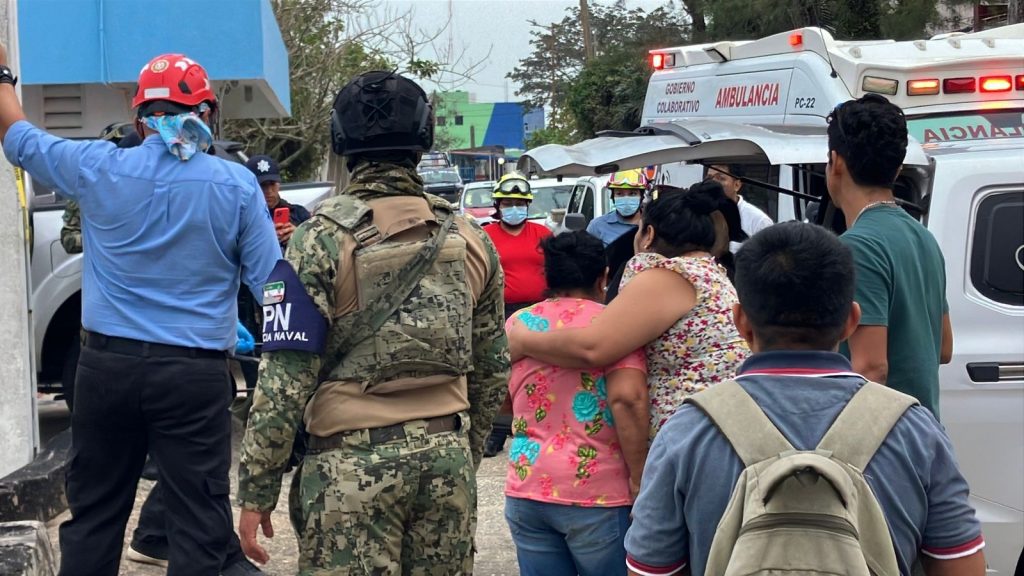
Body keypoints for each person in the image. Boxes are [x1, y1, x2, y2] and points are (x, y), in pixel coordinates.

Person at [0, 50, 280, 576]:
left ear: (137, 118)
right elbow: (273, 289)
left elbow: (17, 136)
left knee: (94, 518)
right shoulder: (238, 185)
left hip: (106, 372)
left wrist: (0, 75)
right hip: (193, 378)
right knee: (198, 525)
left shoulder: (97, 167)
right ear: (209, 115)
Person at [236, 70, 510, 574]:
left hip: (347, 471)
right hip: (445, 459)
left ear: (340, 141)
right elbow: (493, 367)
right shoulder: (470, 237)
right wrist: (463, 455)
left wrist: (258, 488)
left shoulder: (317, 238)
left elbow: (284, 379)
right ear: (425, 136)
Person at [624, 222, 985, 576]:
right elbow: (963, 566)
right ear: (851, 322)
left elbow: (650, 569)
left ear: (741, 322)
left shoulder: (686, 432)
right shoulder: (914, 430)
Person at [510, 191, 749, 439]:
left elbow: (593, 348)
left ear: (649, 235)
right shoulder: (705, 271)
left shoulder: (670, 275)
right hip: (717, 422)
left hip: (696, 433)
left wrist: (522, 341)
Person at [504, 231, 649, 576]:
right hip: (597, 491)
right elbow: (627, 398)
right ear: (604, 276)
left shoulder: (518, 324)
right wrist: (640, 478)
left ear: (547, 276)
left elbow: (501, 395)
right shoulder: (615, 326)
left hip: (527, 485)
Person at [825, 94, 952, 418]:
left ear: (836, 162)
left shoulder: (859, 246)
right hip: (921, 435)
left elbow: (870, 368)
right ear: (897, 170)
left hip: (882, 446)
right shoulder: (923, 237)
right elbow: (943, 348)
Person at [482, 172, 552, 457]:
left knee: (542, 372)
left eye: (519, 202)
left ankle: (542, 428)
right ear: (498, 205)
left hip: (539, 311)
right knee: (500, 374)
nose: (514, 207)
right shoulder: (485, 236)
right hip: (500, 313)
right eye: (508, 202)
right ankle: (497, 433)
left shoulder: (543, 235)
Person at [243, 154, 311, 247]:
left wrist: (299, 236)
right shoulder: (242, 218)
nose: (269, 191)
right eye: (262, 185)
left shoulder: (299, 213)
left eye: (272, 184)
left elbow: (319, 247)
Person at [706, 164, 773, 251]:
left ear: (737, 185)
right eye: (709, 178)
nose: (713, 183)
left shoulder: (758, 220)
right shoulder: (700, 213)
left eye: (720, 178)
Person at [586, 169, 646, 246]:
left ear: (642, 196)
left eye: (632, 193)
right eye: (619, 193)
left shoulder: (652, 225)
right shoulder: (597, 226)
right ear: (613, 197)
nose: (626, 198)